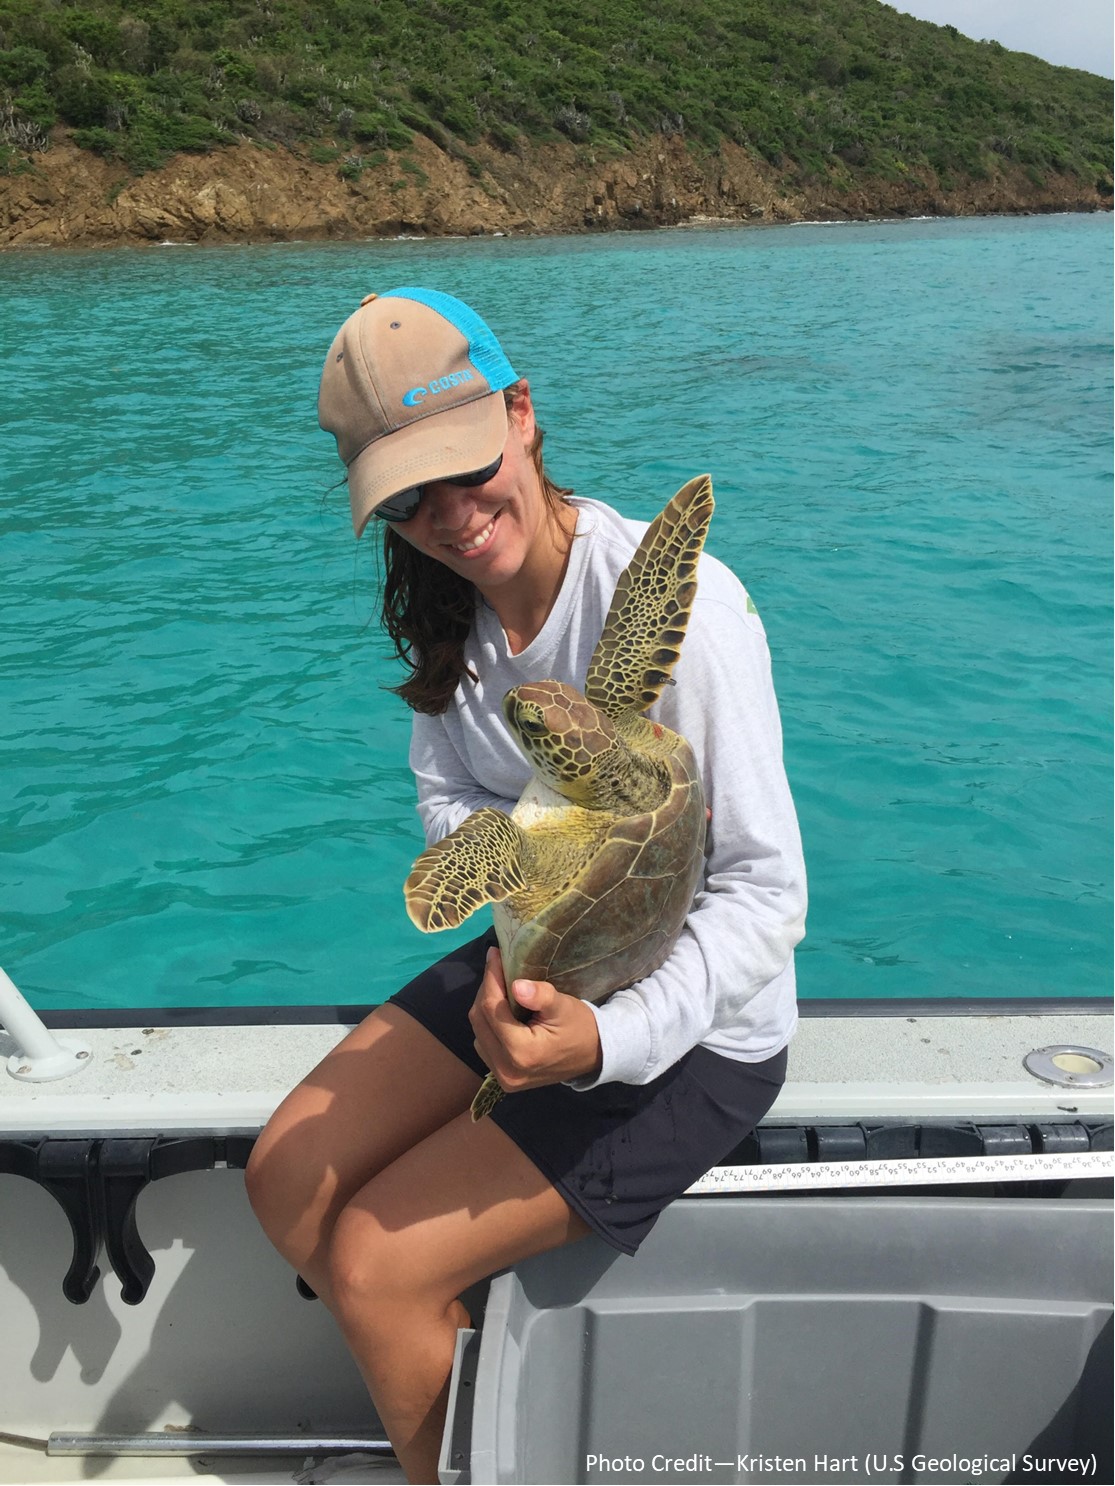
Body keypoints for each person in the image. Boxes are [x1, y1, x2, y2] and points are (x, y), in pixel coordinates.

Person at [245, 287, 807, 1483]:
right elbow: (445, 793)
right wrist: (506, 867)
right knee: (287, 1173)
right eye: (406, 496)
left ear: (521, 413)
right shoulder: (449, 607)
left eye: (463, 467)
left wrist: (603, 1038)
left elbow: (765, 895)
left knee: (369, 1262)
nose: (448, 515)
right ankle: (484, 1424)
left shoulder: (673, 613)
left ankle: (449, 1412)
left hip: (689, 1032)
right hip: (535, 945)